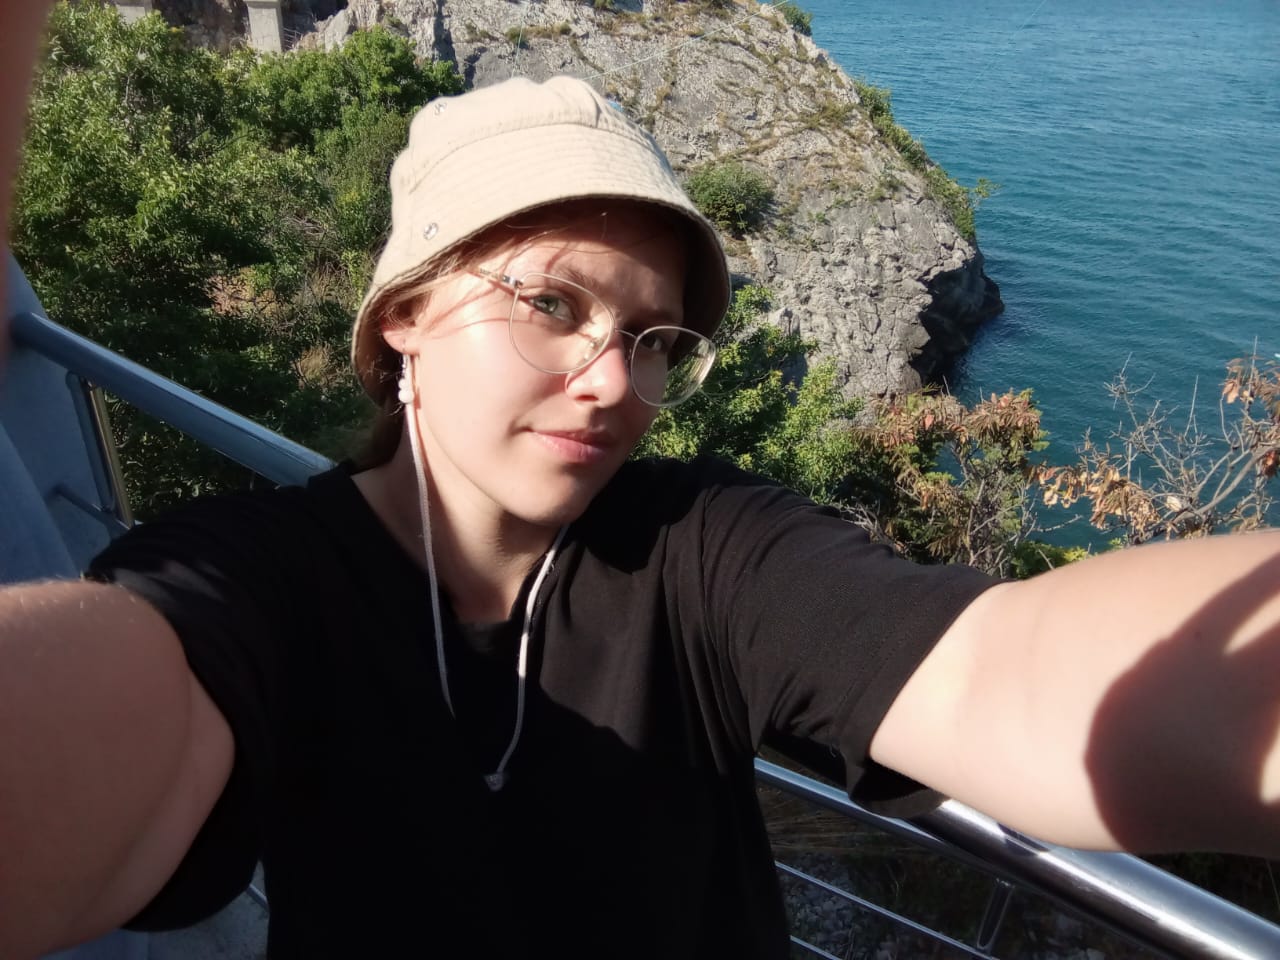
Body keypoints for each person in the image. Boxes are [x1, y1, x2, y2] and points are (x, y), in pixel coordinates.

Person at [1, 74, 1277, 960]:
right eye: (551, 305)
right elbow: (116, 727)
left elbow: (1011, 674)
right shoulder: (257, 578)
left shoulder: (704, 551)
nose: (615, 383)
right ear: (403, 321)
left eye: (653, 339)